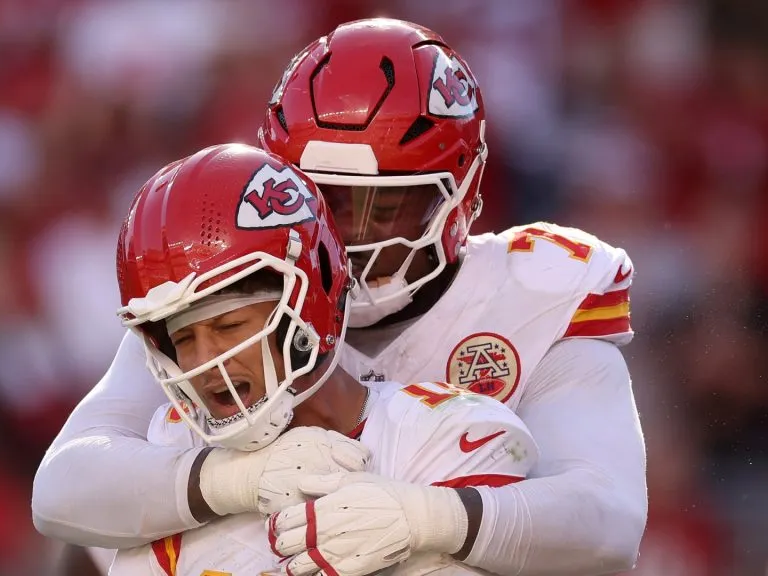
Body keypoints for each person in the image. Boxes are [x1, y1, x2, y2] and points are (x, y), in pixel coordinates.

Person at [33, 18, 647, 575]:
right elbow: (68, 492)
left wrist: (431, 520)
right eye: (324, 197)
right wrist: (229, 481)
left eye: (389, 207)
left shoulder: (535, 291)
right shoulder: (240, 288)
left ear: (463, 192)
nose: (348, 236)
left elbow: (607, 525)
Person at [105, 142, 538, 575]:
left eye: (228, 326)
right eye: (183, 338)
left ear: (309, 305)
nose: (204, 360)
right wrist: (229, 483)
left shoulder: (449, 435)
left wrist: (430, 521)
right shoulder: (169, 452)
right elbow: (61, 502)